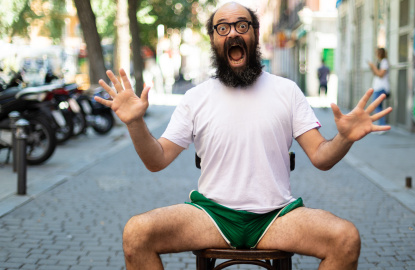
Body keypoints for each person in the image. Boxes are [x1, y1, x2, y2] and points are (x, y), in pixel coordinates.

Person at [95, 2, 392, 270]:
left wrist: (345, 138)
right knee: (136, 233)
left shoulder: (286, 91)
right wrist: (135, 123)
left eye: (241, 25)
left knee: (346, 238)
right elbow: (156, 160)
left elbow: (322, 157)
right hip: (211, 215)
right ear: (213, 39)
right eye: (222, 28)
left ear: (255, 34)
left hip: (277, 216)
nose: (233, 33)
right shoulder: (195, 98)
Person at [368, 48, 390, 127]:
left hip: (381, 88)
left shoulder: (384, 62)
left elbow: (381, 74)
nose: (376, 55)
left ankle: (382, 125)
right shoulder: (379, 62)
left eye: (377, 53)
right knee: (378, 107)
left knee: (375, 106)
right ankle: (381, 125)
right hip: (377, 87)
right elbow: (375, 74)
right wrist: (372, 67)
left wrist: (373, 66)